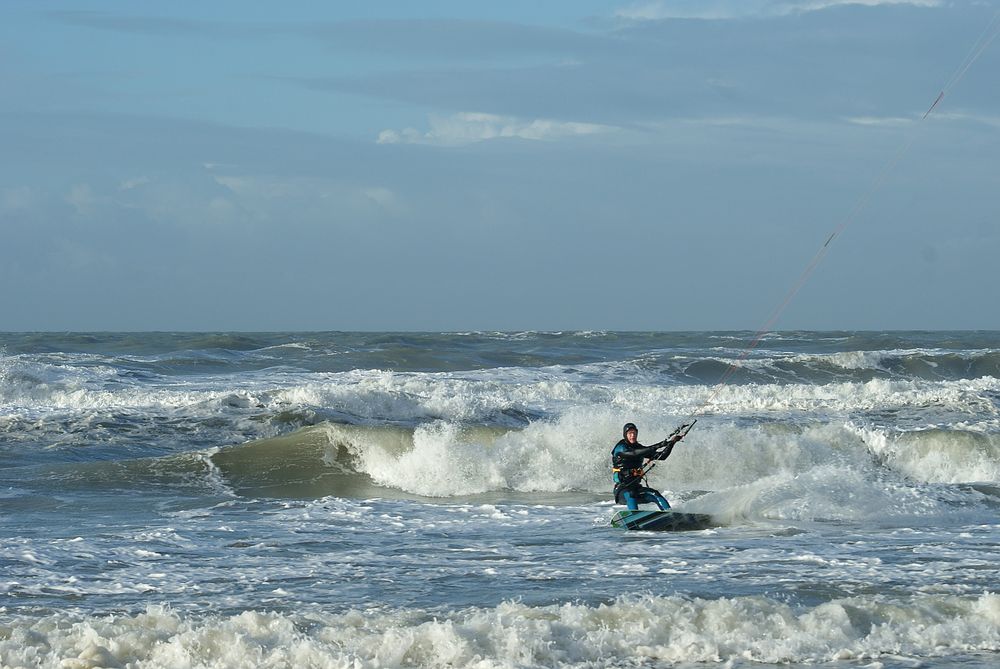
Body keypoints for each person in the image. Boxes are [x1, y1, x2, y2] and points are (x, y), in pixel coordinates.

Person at [611, 422, 682, 511]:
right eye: (630, 433)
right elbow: (634, 453)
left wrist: (672, 443)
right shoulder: (620, 447)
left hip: (637, 488)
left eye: (634, 433)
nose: (632, 435)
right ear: (625, 435)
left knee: (655, 494)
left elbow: (662, 456)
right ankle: (634, 518)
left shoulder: (639, 448)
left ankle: (670, 514)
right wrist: (658, 445)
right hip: (622, 490)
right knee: (631, 494)